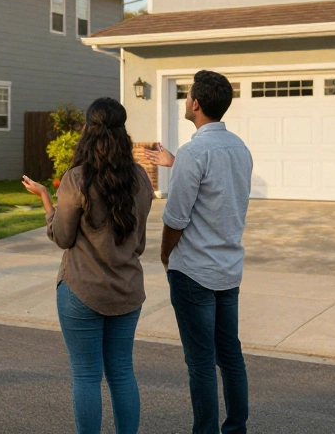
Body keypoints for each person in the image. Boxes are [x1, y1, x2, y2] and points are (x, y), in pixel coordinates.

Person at [23, 97, 155, 434]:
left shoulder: (76, 179)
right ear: (122, 131)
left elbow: (63, 237)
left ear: (88, 130)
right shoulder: (140, 178)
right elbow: (138, 243)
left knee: (85, 375)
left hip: (81, 291)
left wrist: (45, 201)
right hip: (126, 291)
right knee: (122, 372)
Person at [145, 70, 253, 434]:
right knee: (230, 355)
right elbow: (217, 190)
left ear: (197, 103)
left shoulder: (195, 152)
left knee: (202, 363)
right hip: (228, 269)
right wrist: (177, 165)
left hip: (193, 273)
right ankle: (236, 428)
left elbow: (175, 218)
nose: (186, 100)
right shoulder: (239, 148)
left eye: (188, 94)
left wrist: (164, 256)